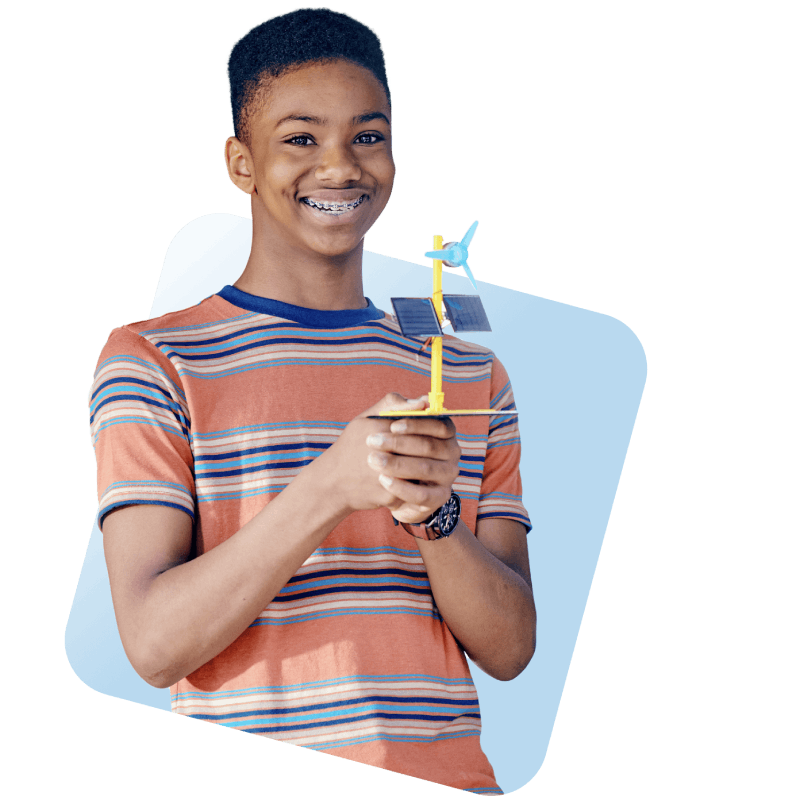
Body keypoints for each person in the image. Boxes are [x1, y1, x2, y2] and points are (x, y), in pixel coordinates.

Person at [88, 8, 534, 795]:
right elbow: (155, 644)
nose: (340, 167)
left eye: (367, 135)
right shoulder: (154, 361)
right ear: (240, 163)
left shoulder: (467, 373)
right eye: (300, 138)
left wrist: (433, 516)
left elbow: (509, 650)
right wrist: (332, 485)